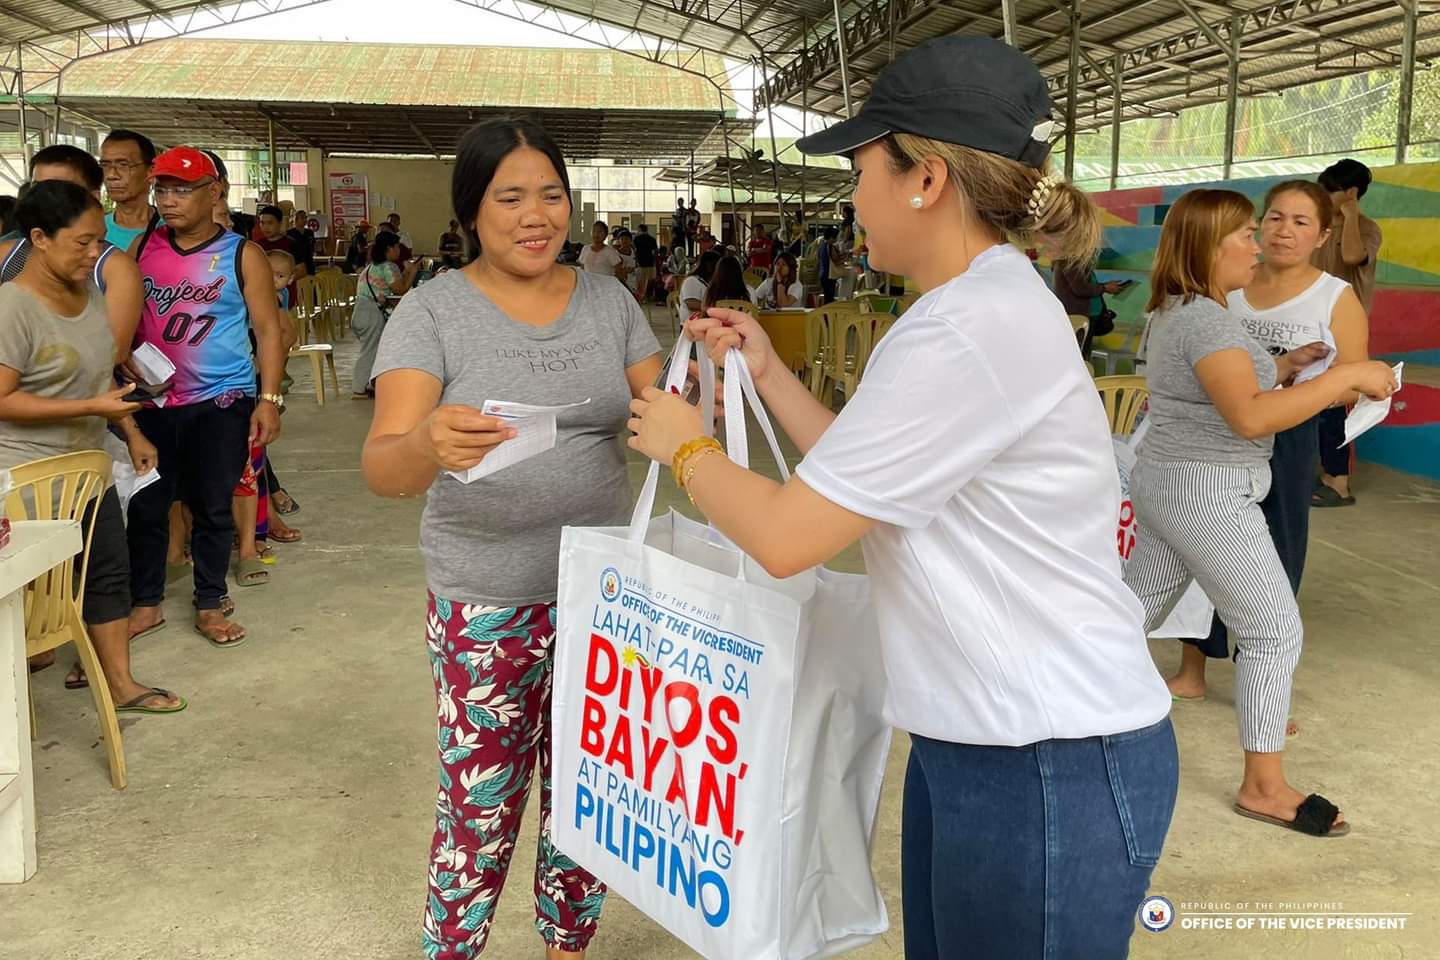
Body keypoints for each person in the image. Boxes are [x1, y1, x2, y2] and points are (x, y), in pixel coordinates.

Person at [627, 36, 1178, 957]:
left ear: (924, 178)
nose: (851, 199)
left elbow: (790, 535)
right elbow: (871, 479)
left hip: (1048, 757)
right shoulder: (969, 309)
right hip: (984, 741)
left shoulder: (966, 329)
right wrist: (769, 376)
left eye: (859, 170)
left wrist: (688, 451)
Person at [362, 117, 661, 960]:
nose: (537, 216)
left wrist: (706, 378)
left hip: (602, 597)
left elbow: (663, 415)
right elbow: (384, 467)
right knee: (480, 802)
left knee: (587, 793)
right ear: (472, 209)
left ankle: (569, 945)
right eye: (512, 197)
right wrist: (424, 446)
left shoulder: (610, 302)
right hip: (486, 599)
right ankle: (452, 949)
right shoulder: (433, 313)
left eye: (553, 195)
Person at [1122, 187, 1396, 838]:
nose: (1261, 241)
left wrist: (1288, 364)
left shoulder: (1184, 309)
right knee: (1274, 630)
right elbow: (1245, 415)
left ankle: (1061, 704)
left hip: (1167, 480)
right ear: (1208, 248)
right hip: (1206, 490)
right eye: (1246, 233)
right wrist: (1343, 378)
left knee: (1126, 612)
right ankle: (1264, 785)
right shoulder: (1210, 319)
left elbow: (1226, 380)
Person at [1172, 181, 1371, 696]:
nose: (1283, 231)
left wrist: (1291, 392)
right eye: (1275, 217)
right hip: (1215, 437)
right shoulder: (1230, 281)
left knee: (1278, 553)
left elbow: (1351, 380)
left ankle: (1259, 682)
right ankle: (1192, 666)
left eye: (1301, 222)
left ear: (1323, 234)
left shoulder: (1334, 297)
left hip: (1288, 436)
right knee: (1205, 552)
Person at [0, 181, 185, 715]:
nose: (94, 254)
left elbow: (99, 382)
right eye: (81, 243)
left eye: (99, 242)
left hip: (85, 470)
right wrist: (91, 413)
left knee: (107, 574)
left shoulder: (92, 298)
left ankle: (121, 685)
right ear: (39, 238)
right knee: (31, 594)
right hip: (25, 478)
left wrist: (131, 431)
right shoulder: (13, 308)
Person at [126, 147, 285, 650]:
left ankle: (209, 602)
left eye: (181, 189)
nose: (169, 201)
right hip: (152, 404)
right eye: (162, 190)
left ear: (214, 192)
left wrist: (269, 399)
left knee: (213, 506)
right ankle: (146, 603)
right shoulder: (140, 250)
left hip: (221, 400)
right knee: (149, 507)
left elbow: (268, 330)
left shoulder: (242, 254)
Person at [0, 145, 144, 363]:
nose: (44, 200)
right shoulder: (6, 254)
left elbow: (112, 353)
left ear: (93, 197)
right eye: (38, 188)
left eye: (60, 190)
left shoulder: (116, 269)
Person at [1313, 159, 1383, 509]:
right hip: (1312, 326)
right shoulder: (1321, 227)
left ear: (1351, 192)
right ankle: (1322, 472)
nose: (1324, 196)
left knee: (1333, 405)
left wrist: (1352, 214)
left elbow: (1354, 256)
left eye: (1332, 190)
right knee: (1309, 402)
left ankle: (1339, 482)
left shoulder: (1366, 229)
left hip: (1344, 329)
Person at [351, 231, 418, 400]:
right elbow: (400, 289)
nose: (399, 250)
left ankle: (369, 384)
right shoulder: (388, 266)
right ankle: (359, 388)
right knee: (370, 351)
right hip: (371, 314)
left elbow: (394, 283)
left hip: (359, 312)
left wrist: (406, 273)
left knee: (372, 348)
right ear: (390, 248)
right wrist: (413, 272)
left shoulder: (372, 266)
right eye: (397, 247)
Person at [100, 129, 158, 251]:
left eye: (123, 165)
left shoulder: (173, 230)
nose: (111, 175)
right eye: (105, 165)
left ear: (151, 172)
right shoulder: (94, 230)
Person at [1053, 258, 1122, 355]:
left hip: (1088, 314)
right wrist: (1104, 287)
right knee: (1080, 353)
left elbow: (1084, 285)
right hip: (1080, 315)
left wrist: (1104, 286)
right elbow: (1080, 288)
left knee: (1083, 351)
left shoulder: (1077, 261)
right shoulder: (1070, 262)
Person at [255, 205, 303, 306]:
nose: (265, 227)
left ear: (280, 223)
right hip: (262, 296)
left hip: (286, 297)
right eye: (262, 223)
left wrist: (281, 280)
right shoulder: (256, 245)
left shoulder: (291, 243)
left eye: (270, 223)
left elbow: (302, 270)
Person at [679, 249, 720, 316]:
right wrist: (714, 309)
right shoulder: (691, 281)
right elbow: (691, 304)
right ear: (709, 265)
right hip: (693, 322)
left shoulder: (708, 282)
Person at [286, 209, 317, 279]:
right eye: (302, 218)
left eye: (305, 217)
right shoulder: (290, 233)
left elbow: (312, 245)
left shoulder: (309, 232)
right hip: (296, 261)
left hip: (308, 260)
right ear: (296, 219)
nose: (305, 220)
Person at [632, 223, 658, 301]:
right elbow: (655, 251)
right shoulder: (652, 239)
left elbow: (634, 251)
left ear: (639, 229)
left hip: (640, 262)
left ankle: (640, 297)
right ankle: (648, 296)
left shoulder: (636, 239)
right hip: (650, 262)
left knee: (640, 281)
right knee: (650, 281)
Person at [817, 225, 842, 303]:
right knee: (829, 298)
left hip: (823, 274)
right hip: (829, 275)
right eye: (836, 238)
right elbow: (835, 259)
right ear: (831, 237)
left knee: (827, 296)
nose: (836, 240)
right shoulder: (830, 246)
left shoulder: (821, 246)